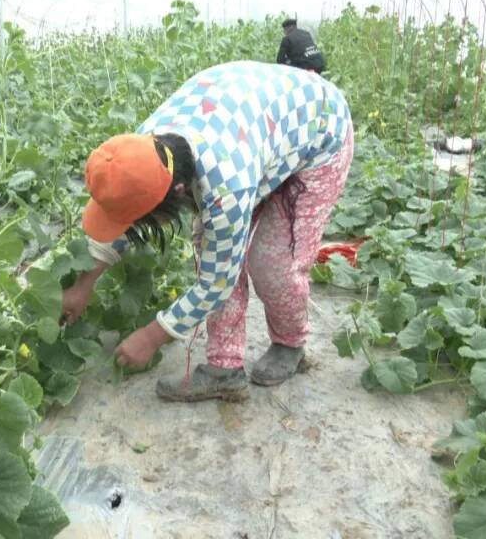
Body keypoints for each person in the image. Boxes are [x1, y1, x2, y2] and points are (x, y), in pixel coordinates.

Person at [60, 61, 354, 402]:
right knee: (211, 246)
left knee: (271, 263)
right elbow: (125, 210)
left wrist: (153, 336)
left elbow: (217, 282)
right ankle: (224, 369)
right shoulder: (137, 152)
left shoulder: (225, 184)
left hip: (319, 129)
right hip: (257, 127)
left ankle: (290, 344)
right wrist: (84, 284)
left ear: (179, 190)